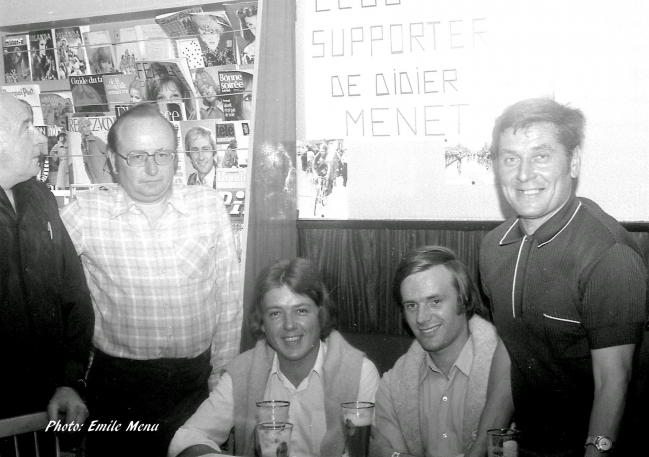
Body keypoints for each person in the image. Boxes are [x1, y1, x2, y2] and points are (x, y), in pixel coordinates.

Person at [60, 104, 242, 457]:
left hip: (195, 385)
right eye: (137, 156)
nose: (153, 168)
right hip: (118, 389)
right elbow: (44, 292)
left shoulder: (207, 206)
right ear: (113, 161)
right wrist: (65, 380)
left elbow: (230, 302)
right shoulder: (84, 214)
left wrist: (223, 379)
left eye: (163, 153)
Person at [480, 98, 647, 456]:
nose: (524, 175)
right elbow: (511, 350)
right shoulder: (493, 247)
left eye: (541, 156)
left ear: (573, 162)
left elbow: (613, 382)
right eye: (510, 159)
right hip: (530, 447)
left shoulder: (607, 254)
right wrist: (480, 446)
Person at [168, 258, 380, 457]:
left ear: (320, 314)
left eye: (301, 311)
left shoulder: (359, 373)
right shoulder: (243, 372)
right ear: (261, 322)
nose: (289, 325)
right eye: (275, 313)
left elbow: (382, 448)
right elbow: (187, 437)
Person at [0, 94, 94, 424]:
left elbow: (75, 296)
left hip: (50, 402)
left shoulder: (40, 195)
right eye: (27, 128)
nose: (41, 139)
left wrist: (69, 381)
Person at [372, 245, 513, 457]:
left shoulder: (509, 375)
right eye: (411, 305)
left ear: (464, 299)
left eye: (435, 301)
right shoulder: (392, 387)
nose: (421, 318)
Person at [78, 118, 115, 184]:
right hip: (95, 180)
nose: (87, 128)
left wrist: (106, 171)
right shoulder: (82, 145)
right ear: (80, 129)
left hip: (105, 178)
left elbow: (110, 153)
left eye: (88, 126)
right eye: (84, 127)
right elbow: (86, 163)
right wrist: (90, 177)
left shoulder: (96, 140)